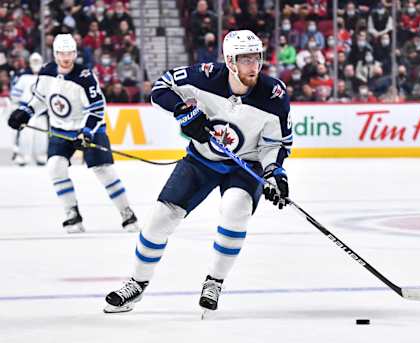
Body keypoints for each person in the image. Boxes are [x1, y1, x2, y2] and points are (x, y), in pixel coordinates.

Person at [103, 30, 292, 314]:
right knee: (159, 219)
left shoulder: (273, 95)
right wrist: (182, 111)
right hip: (201, 160)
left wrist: (274, 173)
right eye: (245, 59)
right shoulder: (205, 76)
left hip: (245, 166)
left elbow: (276, 143)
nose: (253, 65)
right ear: (230, 61)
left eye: (257, 58)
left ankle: (215, 281)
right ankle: (137, 283)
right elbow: (161, 87)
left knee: (235, 209)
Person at [7, 34, 139, 234]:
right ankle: (72, 214)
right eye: (61, 53)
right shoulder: (46, 72)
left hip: (88, 130)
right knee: (55, 167)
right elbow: (41, 99)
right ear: (55, 54)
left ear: (75, 53)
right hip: (60, 131)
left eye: (70, 53)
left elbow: (96, 109)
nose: (66, 58)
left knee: (104, 171)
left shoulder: (85, 77)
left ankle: (127, 213)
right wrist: (25, 113)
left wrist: (86, 132)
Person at [9, 52, 48, 166]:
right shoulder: (23, 77)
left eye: (38, 61)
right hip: (26, 111)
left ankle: (41, 155)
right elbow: (15, 95)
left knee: (42, 136)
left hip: (41, 112)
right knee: (25, 135)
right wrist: (17, 108)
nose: (36, 64)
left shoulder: (46, 78)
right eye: (34, 61)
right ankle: (24, 156)